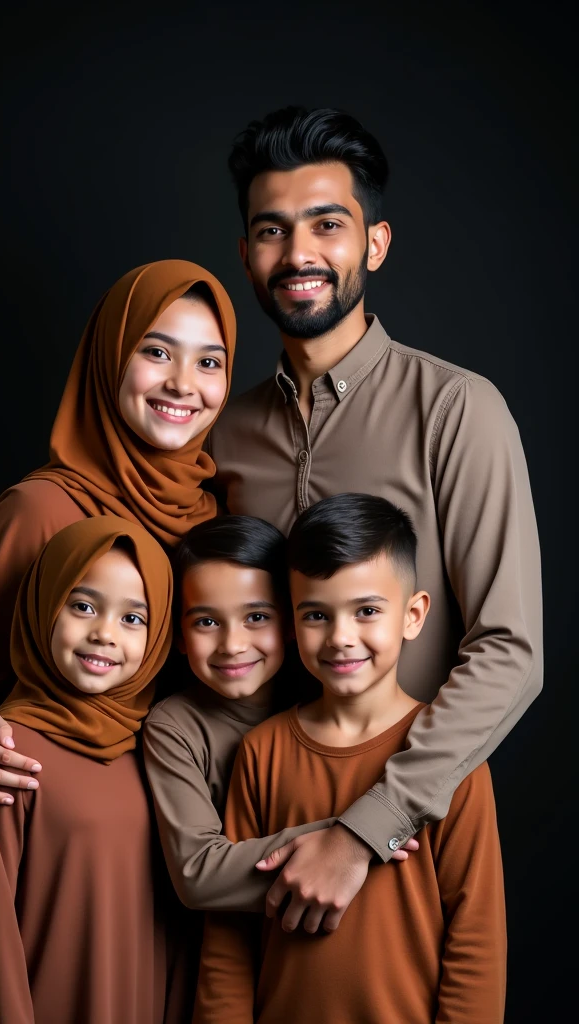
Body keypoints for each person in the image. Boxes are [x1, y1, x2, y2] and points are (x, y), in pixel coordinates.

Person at [206, 105, 542, 927]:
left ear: (376, 244)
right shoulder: (221, 433)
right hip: (245, 830)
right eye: (271, 231)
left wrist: (365, 830)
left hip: (408, 846)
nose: (299, 255)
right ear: (247, 259)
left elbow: (510, 652)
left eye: (328, 224)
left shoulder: (459, 410)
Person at [0, 259, 236, 817]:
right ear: (110, 356)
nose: (182, 384)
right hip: (77, 826)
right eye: (157, 351)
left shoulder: (218, 523)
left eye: (208, 362)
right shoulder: (41, 510)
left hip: (202, 838)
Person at [194, 494, 507, 1024]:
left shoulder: (449, 760)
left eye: (366, 611)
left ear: (413, 615)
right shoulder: (261, 752)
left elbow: (475, 940)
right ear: (292, 624)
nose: (341, 638)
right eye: (317, 614)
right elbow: (230, 941)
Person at [0, 515, 174, 1024]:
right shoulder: (6, 752)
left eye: (133, 618)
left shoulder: (162, 750)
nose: (104, 634)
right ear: (44, 604)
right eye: (83, 605)